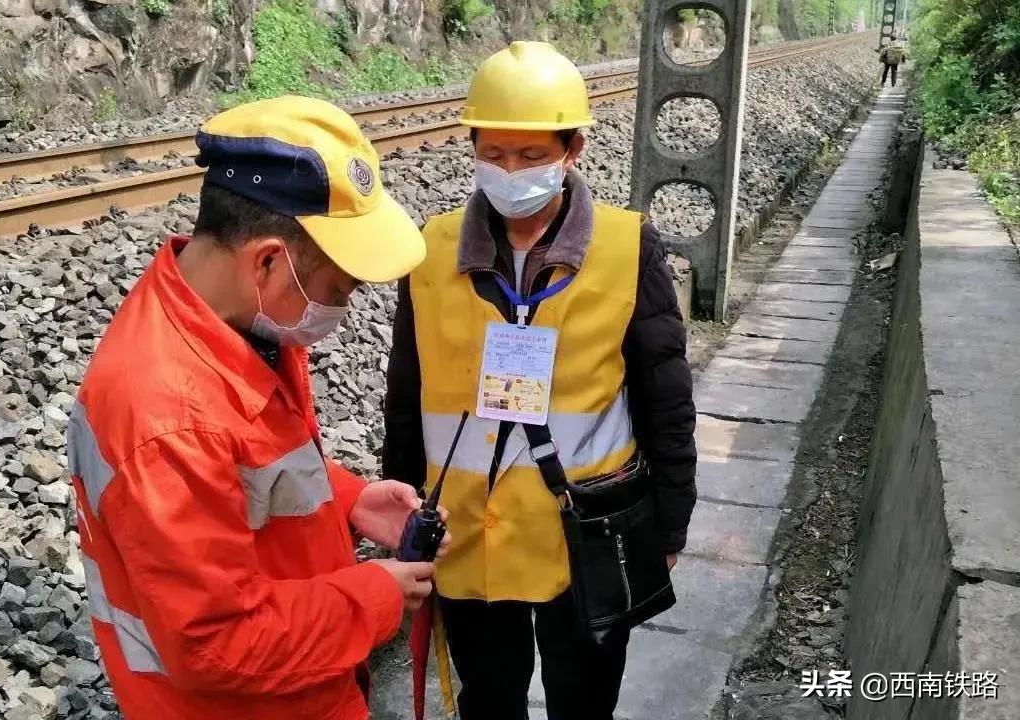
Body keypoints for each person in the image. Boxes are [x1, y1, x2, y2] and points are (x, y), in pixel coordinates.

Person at [66, 96, 448, 720]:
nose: (343, 308)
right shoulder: (169, 416)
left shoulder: (238, 321)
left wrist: (349, 500)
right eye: (340, 288)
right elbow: (216, 644)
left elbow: (251, 479)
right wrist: (375, 597)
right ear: (269, 260)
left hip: (305, 679)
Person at [383, 41, 697, 720]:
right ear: (472, 149)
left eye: (531, 156)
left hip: (585, 530)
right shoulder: (430, 252)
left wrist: (669, 527)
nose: (511, 171)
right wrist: (404, 513)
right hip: (468, 535)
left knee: (583, 703)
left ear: (573, 150)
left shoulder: (625, 245)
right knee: (488, 701)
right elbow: (405, 399)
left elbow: (663, 394)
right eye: (494, 154)